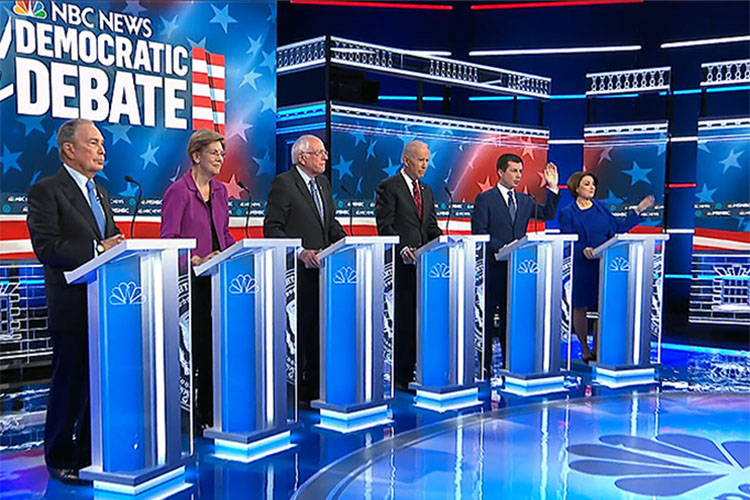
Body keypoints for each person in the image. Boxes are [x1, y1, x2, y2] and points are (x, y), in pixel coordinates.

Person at [27, 119, 125, 484]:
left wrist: (115, 246)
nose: (103, 150)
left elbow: (110, 238)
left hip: (106, 303)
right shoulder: (46, 190)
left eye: (102, 143)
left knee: (97, 385)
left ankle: (88, 453)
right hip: (72, 304)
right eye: (94, 143)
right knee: (70, 383)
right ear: (69, 149)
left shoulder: (101, 192)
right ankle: (59, 456)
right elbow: (47, 248)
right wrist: (99, 248)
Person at [160, 129, 235, 431]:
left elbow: (225, 234)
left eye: (222, 154)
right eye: (214, 153)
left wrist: (236, 255)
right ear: (196, 155)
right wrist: (192, 260)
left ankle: (212, 410)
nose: (220, 158)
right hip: (189, 286)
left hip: (217, 281)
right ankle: (191, 416)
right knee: (196, 349)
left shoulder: (220, 192)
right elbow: (169, 240)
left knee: (215, 348)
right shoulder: (178, 192)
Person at [263, 134, 346, 405]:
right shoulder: (284, 184)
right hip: (296, 276)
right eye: (319, 153)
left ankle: (315, 390)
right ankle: (294, 393)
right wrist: (299, 253)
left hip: (324, 273)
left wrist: (347, 243)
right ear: (302, 157)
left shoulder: (322, 184)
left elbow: (330, 225)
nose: (325, 157)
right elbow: (272, 228)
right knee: (299, 332)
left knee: (320, 332)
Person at [471, 153, 560, 380]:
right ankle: (485, 366)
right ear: (500, 172)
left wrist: (553, 188)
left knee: (512, 320)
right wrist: (507, 247)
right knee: (489, 319)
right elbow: (480, 233)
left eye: (520, 171)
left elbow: (547, 213)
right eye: (513, 171)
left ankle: (511, 364)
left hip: (517, 273)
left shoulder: (525, 201)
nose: (518, 176)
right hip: (493, 269)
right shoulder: (485, 199)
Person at [558, 171, 655, 362]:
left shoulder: (601, 208)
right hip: (583, 264)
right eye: (587, 184)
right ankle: (585, 348)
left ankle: (599, 347)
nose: (592, 187)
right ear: (576, 188)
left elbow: (618, 229)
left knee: (603, 305)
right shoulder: (567, 213)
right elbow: (567, 240)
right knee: (581, 306)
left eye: (593, 184)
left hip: (604, 263)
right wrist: (582, 249)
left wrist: (638, 210)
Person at [375, 140, 442, 390]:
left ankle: (419, 367)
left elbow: (431, 227)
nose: (425, 165)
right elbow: (385, 225)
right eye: (420, 160)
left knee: (422, 319)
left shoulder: (426, 190)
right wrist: (402, 247)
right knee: (404, 320)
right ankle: (401, 375)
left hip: (425, 266)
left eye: (427, 160)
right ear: (406, 160)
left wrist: (445, 243)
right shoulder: (388, 187)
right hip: (402, 266)